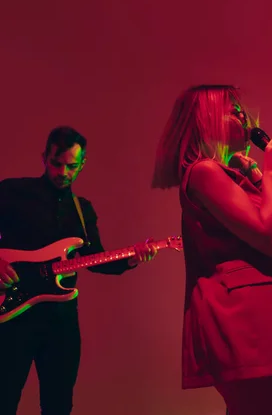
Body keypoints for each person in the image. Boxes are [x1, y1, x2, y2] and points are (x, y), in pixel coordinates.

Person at [151, 85, 272, 415]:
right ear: (208, 122)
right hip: (240, 316)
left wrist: (257, 173)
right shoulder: (203, 172)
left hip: (256, 310)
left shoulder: (227, 174)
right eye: (234, 111)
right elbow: (268, 239)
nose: (245, 118)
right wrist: (271, 172)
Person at [0, 126, 157, 415]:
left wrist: (133, 258)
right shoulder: (11, 192)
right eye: (56, 163)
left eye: (72, 166)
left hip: (60, 322)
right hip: (11, 317)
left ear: (82, 165)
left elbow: (94, 258)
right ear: (44, 158)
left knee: (58, 405)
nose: (63, 172)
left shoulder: (81, 210)